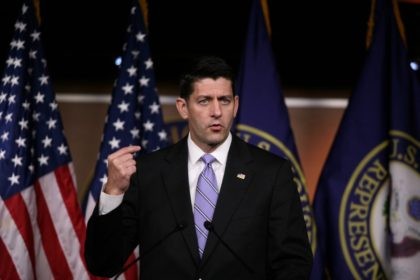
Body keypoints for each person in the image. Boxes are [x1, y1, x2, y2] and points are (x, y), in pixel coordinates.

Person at [85, 56, 313, 279]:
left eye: (224, 100)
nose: (216, 111)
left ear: (236, 105)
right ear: (183, 108)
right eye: (204, 101)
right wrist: (113, 192)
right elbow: (102, 263)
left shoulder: (271, 173)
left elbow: (293, 265)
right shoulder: (148, 173)